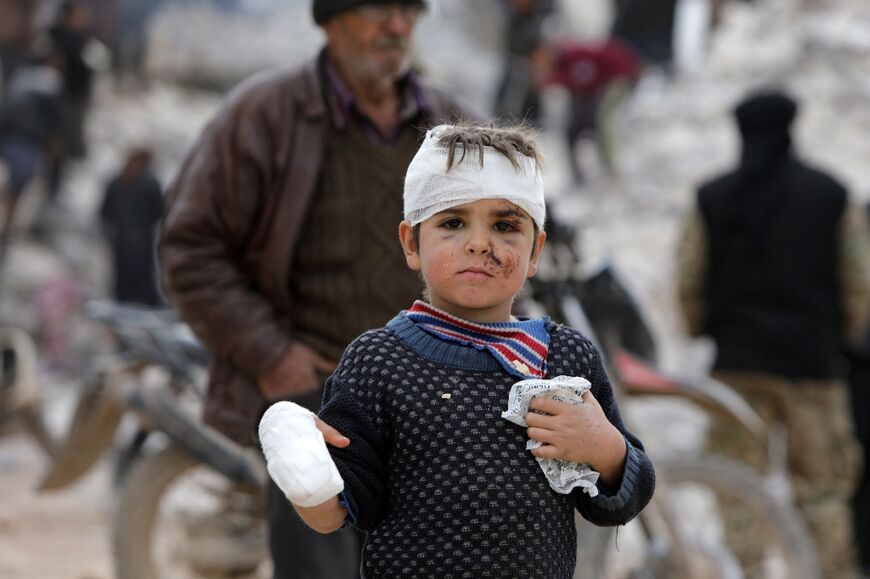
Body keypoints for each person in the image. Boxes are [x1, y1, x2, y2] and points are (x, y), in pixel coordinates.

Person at [258, 123, 656, 578]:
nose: (479, 243)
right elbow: (337, 512)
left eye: (505, 225)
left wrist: (607, 451)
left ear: (535, 251)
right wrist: (299, 460)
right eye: (452, 222)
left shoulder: (565, 361)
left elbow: (624, 498)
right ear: (411, 242)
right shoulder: (378, 363)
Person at [158, 0, 467, 576]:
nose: (397, 27)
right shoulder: (264, 115)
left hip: (434, 401)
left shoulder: (450, 125)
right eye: (379, 9)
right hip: (315, 396)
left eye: (409, 10)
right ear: (330, 19)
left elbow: (496, 254)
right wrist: (270, 352)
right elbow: (190, 247)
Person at [676, 89, 870, 578]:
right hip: (813, 370)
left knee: (741, 488)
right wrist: (840, 340)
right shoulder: (829, 195)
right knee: (823, 491)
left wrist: (705, 329)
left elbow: (689, 280)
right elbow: (859, 283)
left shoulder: (712, 197)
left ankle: (748, 572)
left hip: (736, 369)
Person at [541, 37, 643, 184]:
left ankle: (611, 166)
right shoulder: (566, 65)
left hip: (622, 75)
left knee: (602, 119)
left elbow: (586, 80)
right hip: (609, 82)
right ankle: (584, 174)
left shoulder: (575, 58)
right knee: (580, 127)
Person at [0, 46, 64, 250]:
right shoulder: (52, 84)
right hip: (29, 143)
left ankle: (7, 225)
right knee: (15, 189)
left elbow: (6, 109)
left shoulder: (22, 79)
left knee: (11, 186)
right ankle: (7, 226)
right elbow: (56, 120)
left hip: (12, 140)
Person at [100, 148, 164, 306]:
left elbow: (105, 211)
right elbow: (159, 211)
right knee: (140, 278)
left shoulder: (118, 181)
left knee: (125, 278)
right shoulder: (150, 184)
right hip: (138, 240)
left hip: (123, 239)